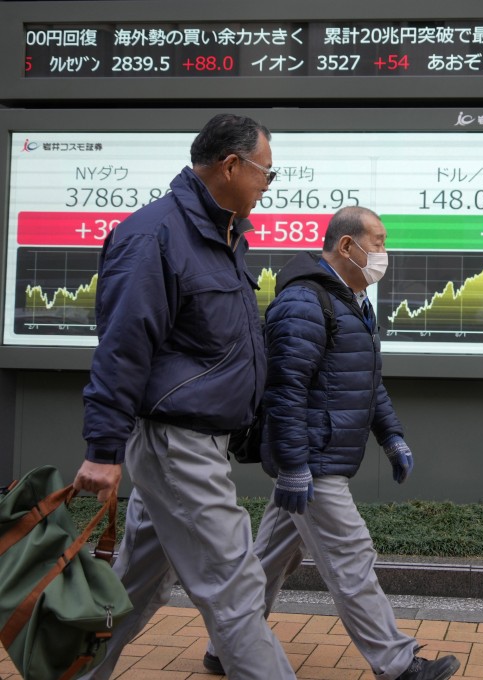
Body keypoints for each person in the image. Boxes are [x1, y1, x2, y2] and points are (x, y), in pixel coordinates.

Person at [72, 113, 297, 680]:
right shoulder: (155, 235)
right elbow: (123, 347)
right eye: (266, 174)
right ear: (230, 165)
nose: (268, 187)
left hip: (196, 444)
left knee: (131, 588)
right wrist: (102, 450)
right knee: (235, 585)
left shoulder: (222, 236)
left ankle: (67, 671)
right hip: (178, 446)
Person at [204, 206, 461, 680]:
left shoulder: (351, 301)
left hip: (315, 456)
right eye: (378, 242)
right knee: (351, 557)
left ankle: (225, 645)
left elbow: (366, 382)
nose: (385, 254)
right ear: (347, 246)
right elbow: (284, 391)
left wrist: (392, 436)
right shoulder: (305, 302)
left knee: (271, 558)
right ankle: (399, 663)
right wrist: (295, 465)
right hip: (313, 460)